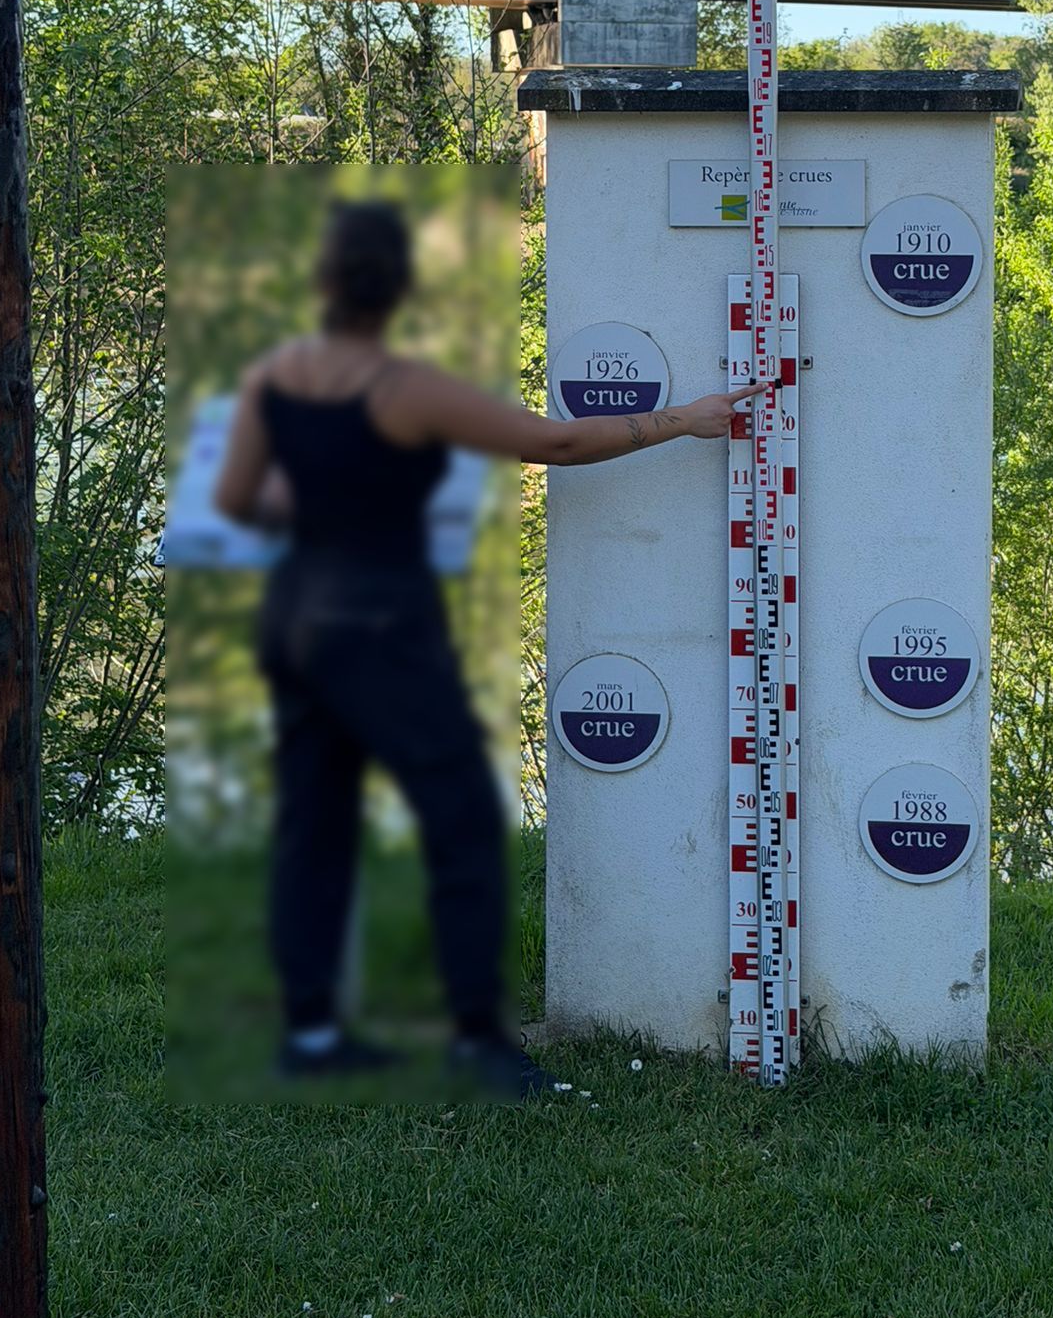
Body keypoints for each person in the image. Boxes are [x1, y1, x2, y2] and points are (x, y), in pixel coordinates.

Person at [213, 196, 768, 1100]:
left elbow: (239, 498)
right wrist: (686, 418)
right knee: (464, 826)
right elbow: (557, 441)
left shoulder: (276, 379)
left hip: (295, 627)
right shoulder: (406, 388)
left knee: (317, 824)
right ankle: (479, 1045)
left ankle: (309, 1034)